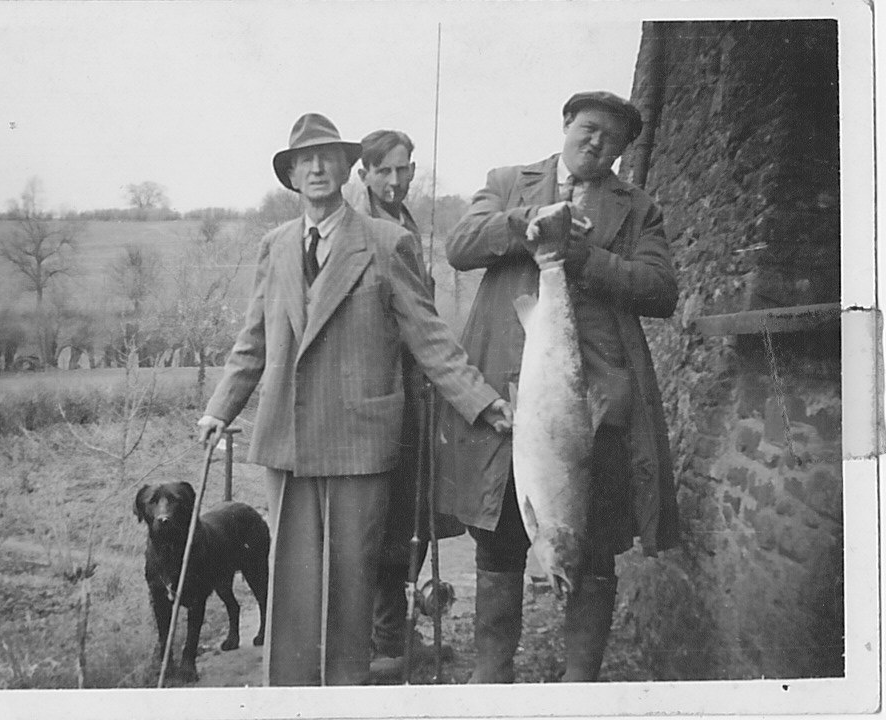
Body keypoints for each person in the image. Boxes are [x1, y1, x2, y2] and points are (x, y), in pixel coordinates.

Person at [196, 113, 512, 687]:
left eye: (327, 157)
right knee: (290, 580)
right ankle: (290, 692)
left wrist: (484, 403)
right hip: (286, 440)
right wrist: (220, 408)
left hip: (360, 441)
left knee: (350, 581)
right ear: (291, 175)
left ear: (347, 169)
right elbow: (254, 341)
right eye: (303, 160)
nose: (316, 168)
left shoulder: (388, 243)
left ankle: (346, 692)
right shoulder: (275, 245)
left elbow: (431, 337)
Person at [436, 91, 679, 683]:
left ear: (622, 152)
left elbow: (659, 289)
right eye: (588, 129)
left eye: (612, 140)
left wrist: (583, 255)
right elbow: (460, 247)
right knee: (499, 537)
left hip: (599, 407)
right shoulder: (506, 182)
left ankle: (579, 682)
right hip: (510, 398)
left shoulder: (638, 209)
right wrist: (526, 225)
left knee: (593, 547)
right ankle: (492, 674)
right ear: (566, 126)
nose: (596, 144)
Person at [354, 129, 461, 676]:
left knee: (412, 513)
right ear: (364, 173)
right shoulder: (362, 227)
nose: (397, 181)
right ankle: (380, 643)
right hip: (377, 393)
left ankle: (398, 636)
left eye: (406, 170)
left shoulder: (407, 225)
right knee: (384, 518)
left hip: (416, 391)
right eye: (385, 171)